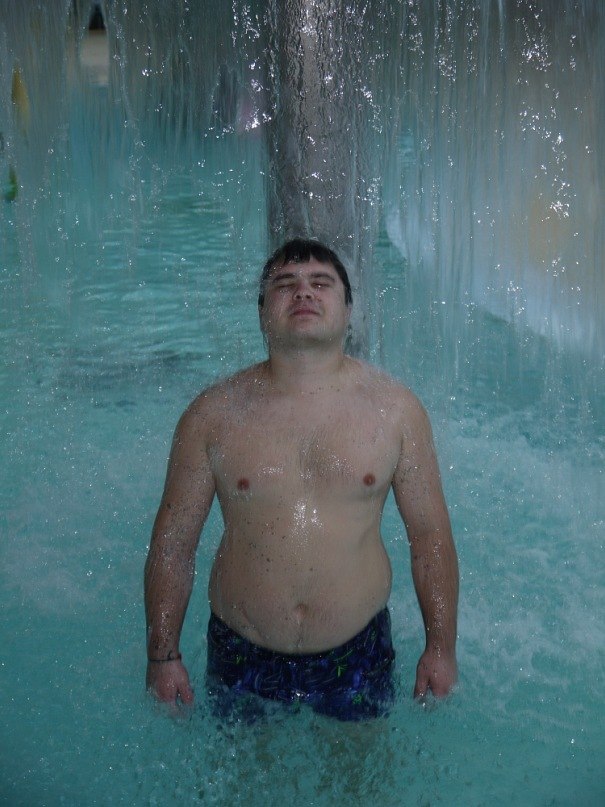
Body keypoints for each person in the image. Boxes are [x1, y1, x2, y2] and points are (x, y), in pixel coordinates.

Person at [144, 238, 458, 721]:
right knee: (244, 771)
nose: (303, 293)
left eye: (321, 283)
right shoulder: (212, 416)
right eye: (285, 284)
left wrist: (441, 649)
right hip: (241, 650)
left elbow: (430, 537)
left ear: (348, 309)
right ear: (261, 311)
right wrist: (163, 656)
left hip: (357, 651)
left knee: (360, 769)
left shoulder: (396, 412)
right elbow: (173, 544)